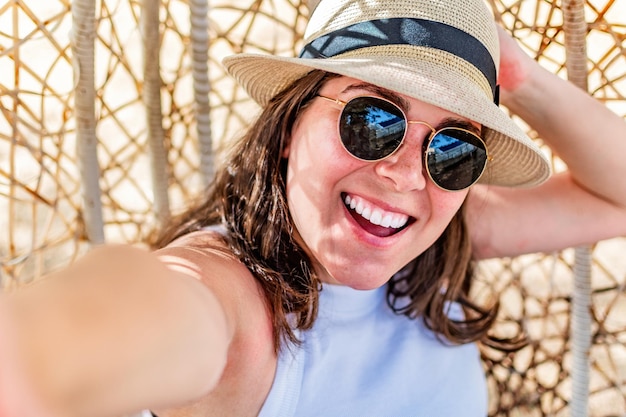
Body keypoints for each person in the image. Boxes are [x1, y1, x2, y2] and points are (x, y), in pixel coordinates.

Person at [1, 0, 625, 416]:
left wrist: (513, 76)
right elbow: (145, 307)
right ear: (289, 122)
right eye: (372, 118)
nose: (405, 173)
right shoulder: (236, 308)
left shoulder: (438, 234)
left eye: (456, 146)